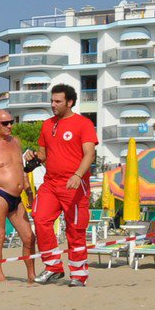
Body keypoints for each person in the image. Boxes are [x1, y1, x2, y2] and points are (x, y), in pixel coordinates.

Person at [29, 85, 97, 287]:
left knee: (75, 229)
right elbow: (42, 155)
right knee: (40, 219)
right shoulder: (47, 124)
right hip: (51, 183)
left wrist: (78, 174)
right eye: (52, 101)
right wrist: (32, 156)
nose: (53, 105)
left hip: (74, 184)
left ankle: (78, 274)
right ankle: (53, 267)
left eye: (57, 101)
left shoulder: (83, 124)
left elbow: (89, 154)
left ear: (70, 102)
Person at [0, 110, 35, 284]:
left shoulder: (16, 142)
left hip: (17, 197)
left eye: (11, 122)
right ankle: (0, 275)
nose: (9, 126)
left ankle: (31, 274)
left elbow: (21, 170)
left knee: (29, 237)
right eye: (5, 123)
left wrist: (29, 192)